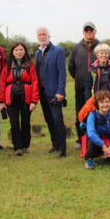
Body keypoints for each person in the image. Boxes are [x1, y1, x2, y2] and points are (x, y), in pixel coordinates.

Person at [0, 42, 40, 155]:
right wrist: (1, 100)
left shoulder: (29, 65)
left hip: (26, 97)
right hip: (11, 98)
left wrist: (34, 101)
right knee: (14, 123)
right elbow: (2, 82)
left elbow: (35, 82)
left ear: (25, 51)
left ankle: (25, 145)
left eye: (21, 50)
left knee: (26, 123)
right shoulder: (7, 65)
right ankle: (17, 147)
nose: (19, 52)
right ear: (12, 52)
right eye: (16, 50)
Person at [34, 27, 67, 158]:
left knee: (58, 121)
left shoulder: (58, 51)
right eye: (40, 35)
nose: (42, 37)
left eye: (44, 34)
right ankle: (55, 145)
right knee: (49, 121)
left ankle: (62, 149)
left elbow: (62, 73)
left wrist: (60, 91)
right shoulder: (37, 53)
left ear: (49, 36)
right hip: (42, 93)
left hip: (54, 93)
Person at [68, 21, 99, 147]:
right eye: (86, 30)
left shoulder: (100, 46)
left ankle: (95, 139)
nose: (89, 32)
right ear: (83, 32)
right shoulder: (76, 47)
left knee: (96, 112)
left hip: (96, 88)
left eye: (91, 30)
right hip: (80, 87)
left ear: (95, 31)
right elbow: (71, 66)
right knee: (80, 113)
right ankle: (81, 140)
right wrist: (78, 77)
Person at [83, 90, 110, 170]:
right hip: (96, 141)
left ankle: (107, 155)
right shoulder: (92, 115)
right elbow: (91, 134)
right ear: (97, 104)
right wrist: (104, 146)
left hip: (108, 140)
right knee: (92, 141)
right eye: (101, 102)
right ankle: (89, 159)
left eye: (107, 102)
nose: (105, 104)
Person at [84, 43, 110, 113]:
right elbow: (87, 87)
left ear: (109, 55)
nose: (104, 55)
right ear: (97, 55)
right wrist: (89, 101)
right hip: (96, 101)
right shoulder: (92, 69)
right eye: (101, 53)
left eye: (106, 53)